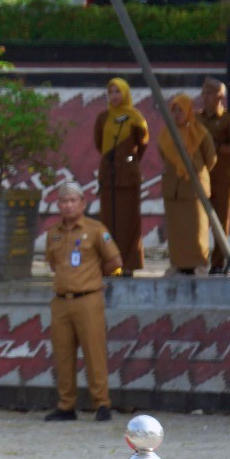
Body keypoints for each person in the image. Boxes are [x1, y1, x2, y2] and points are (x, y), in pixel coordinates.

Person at [42, 181, 122, 422]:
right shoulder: (53, 233)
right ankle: (66, 405)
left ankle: (102, 403)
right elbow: (53, 264)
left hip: (88, 299)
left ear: (83, 203)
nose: (68, 205)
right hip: (61, 301)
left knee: (94, 353)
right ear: (58, 205)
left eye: (72, 201)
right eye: (63, 201)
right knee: (63, 355)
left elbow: (115, 262)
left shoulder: (96, 230)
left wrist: (94, 276)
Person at [159, 93, 219, 274]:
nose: (177, 114)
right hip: (173, 188)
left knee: (196, 228)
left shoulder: (199, 132)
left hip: (194, 188)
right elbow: (163, 156)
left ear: (188, 111)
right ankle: (177, 264)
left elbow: (211, 158)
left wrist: (195, 170)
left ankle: (199, 263)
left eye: (180, 110)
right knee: (176, 230)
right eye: (174, 110)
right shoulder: (166, 134)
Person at [94, 77, 149, 273]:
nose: (114, 96)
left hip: (128, 177)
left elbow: (142, 145)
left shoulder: (136, 118)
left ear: (125, 93)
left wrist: (127, 161)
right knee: (108, 221)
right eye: (111, 92)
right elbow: (99, 143)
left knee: (128, 221)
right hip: (108, 176)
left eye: (118, 91)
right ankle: (110, 265)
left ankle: (128, 265)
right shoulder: (103, 118)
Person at [198, 77, 230, 271]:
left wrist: (216, 147)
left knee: (220, 221)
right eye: (204, 93)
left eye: (209, 94)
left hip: (222, 178)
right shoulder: (197, 119)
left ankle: (217, 263)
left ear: (220, 97)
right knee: (198, 220)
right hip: (201, 177)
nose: (205, 97)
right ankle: (197, 260)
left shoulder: (228, 120)